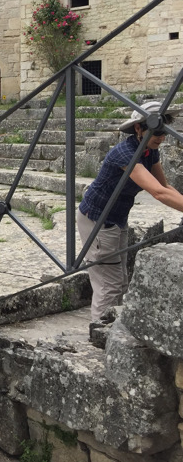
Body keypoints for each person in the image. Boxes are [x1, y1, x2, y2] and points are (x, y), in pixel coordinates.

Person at [77, 101, 183, 323]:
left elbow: (165, 187)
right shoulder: (125, 153)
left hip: (116, 219)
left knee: (121, 280)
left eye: (165, 130)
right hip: (97, 220)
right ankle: (99, 332)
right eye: (157, 130)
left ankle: (112, 331)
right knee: (109, 284)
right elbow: (157, 193)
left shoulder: (150, 151)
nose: (162, 137)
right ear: (138, 128)